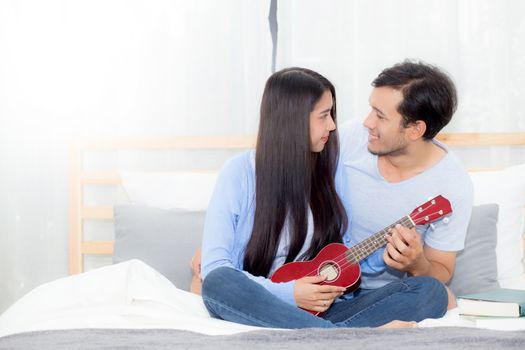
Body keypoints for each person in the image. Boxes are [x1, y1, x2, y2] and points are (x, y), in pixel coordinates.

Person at [199, 67, 448, 329]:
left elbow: (343, 258)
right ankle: (346, 339)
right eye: (324, 116)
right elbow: (215, 268)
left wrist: (391, 252)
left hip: (325, 312)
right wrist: (290, 293)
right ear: (291, 120)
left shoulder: (330, 168)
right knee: (218, 282)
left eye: (332, 114)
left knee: (431, 291)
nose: (332, 126)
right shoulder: (238, 173)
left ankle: (327, 337)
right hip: (260, 306)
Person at [339, 60, 473, 307]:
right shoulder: (350, 138)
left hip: (384, 298)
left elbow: (442, 269)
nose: (367, 122)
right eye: (371, 109)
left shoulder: (453, 186)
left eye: (380, 116)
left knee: (437, 296)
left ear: (415, 130)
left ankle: (337, 328)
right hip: (320, 279)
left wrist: (416, 264)